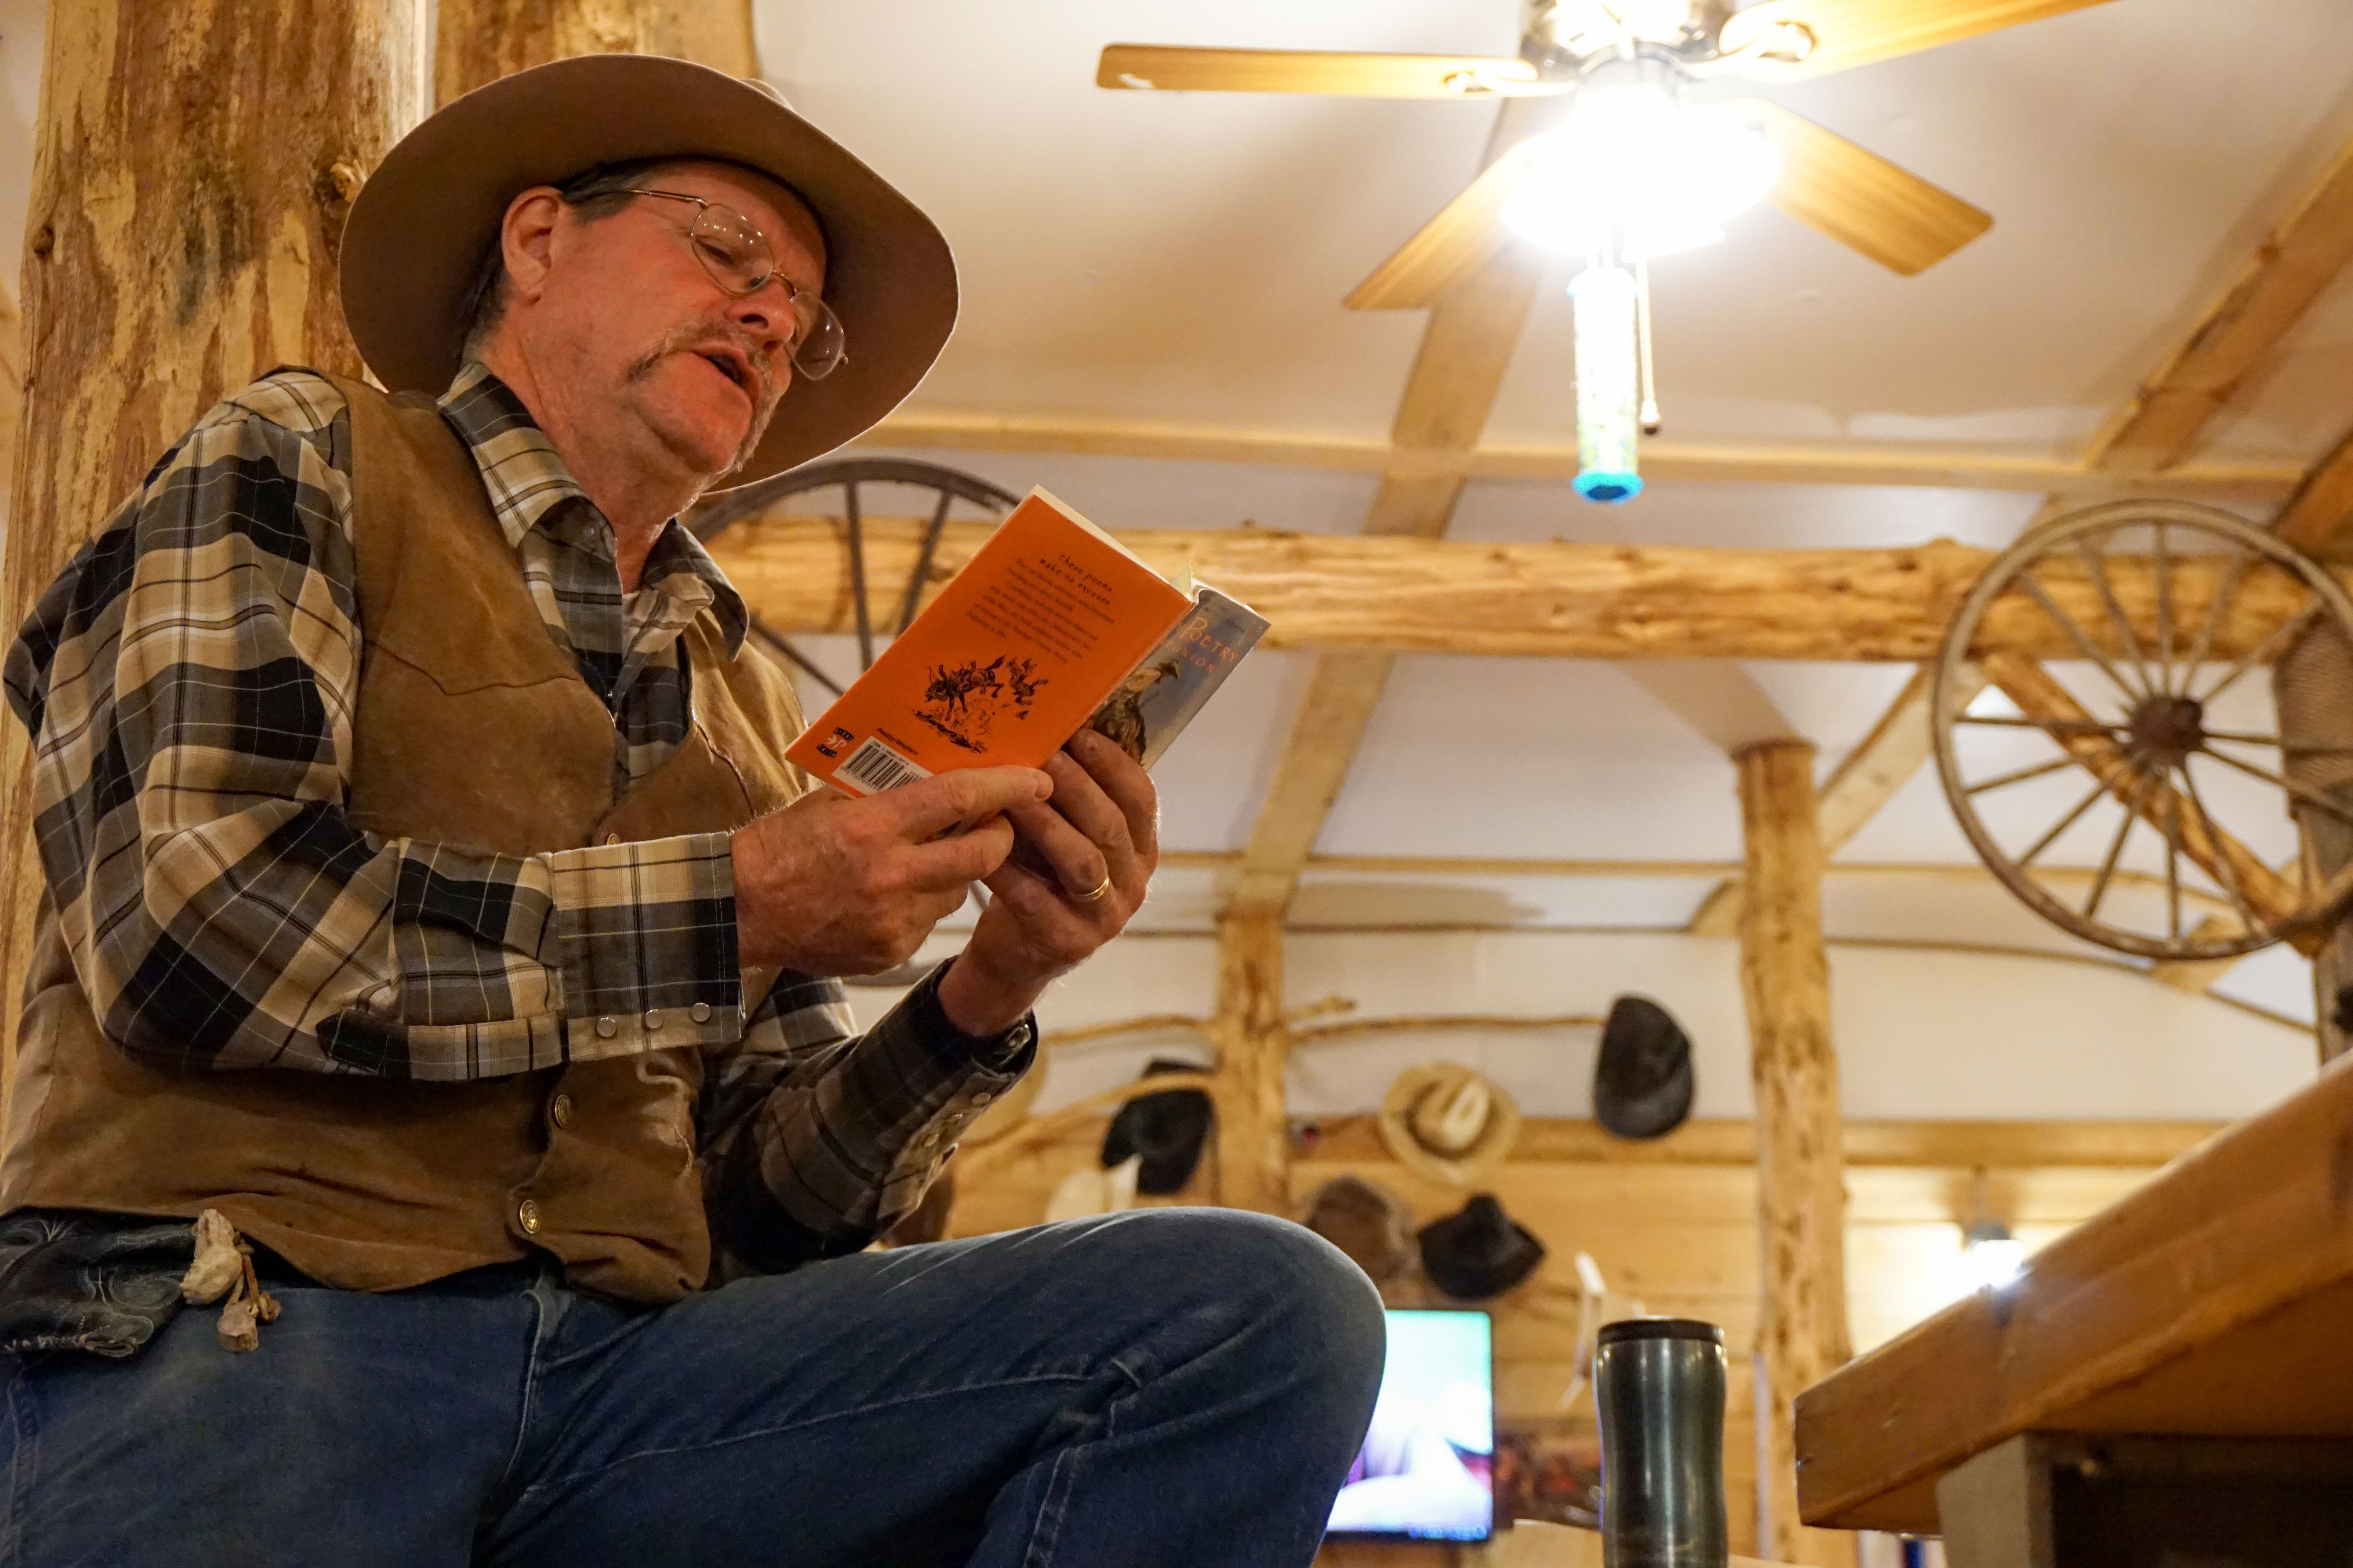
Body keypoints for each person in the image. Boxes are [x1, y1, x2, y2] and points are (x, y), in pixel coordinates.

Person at [0, 55, 1382, 1567]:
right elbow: (191, 920)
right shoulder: (302, 455)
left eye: (802, 312)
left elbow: (752, 1211)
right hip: (254, 1319)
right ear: (537, 243)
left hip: (632, 1385)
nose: (775, 318)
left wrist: (994, 987)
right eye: (727, 252)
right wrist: (741, 904)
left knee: (1257, 1314)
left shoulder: (747, 710)